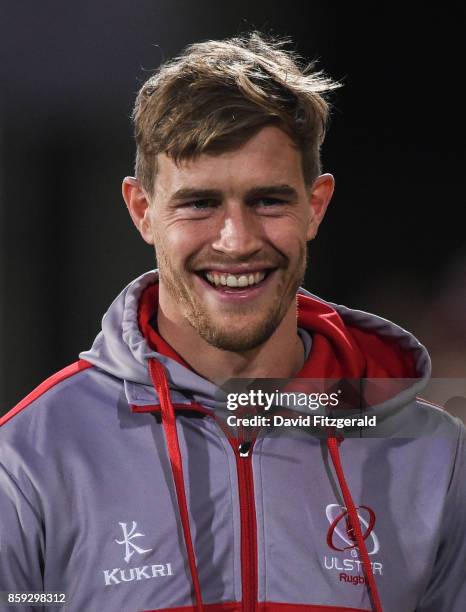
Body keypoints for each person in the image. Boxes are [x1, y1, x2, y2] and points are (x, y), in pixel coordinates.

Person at [0, 33, 464, 612]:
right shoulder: (31, 457)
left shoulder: (435, 459)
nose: (237, 241)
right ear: (142, 210)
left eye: (268, 200)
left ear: (315, 205)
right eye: (199, 203)